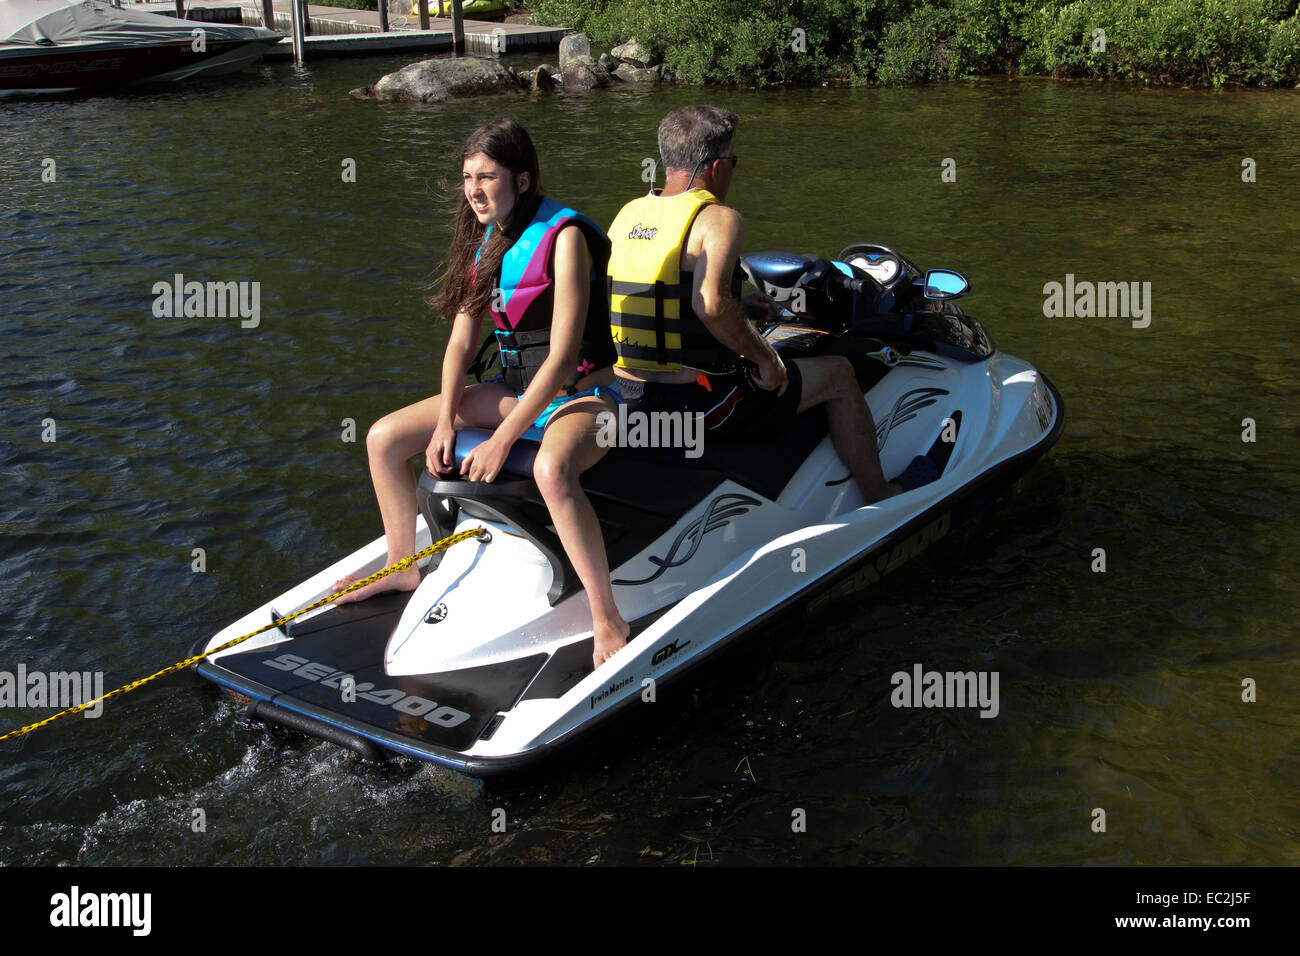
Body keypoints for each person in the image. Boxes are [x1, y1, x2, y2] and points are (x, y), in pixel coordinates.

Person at [332, 118, 631, 668]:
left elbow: (563, 356)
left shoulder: (565, 240)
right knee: (383, 439)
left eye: (486, 177)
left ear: (522, 180)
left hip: (588, 399)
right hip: (516, 394)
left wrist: (500, 442)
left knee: (550, 472)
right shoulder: (487, 245)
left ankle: (607, 616)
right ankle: (402, 562)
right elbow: (459, 347)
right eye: (467, 177)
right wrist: (447, 419)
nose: (473, 189)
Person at [607, 105, 938, 500]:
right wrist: (768, 362)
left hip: (630, 396)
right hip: (701, 403)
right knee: (840, 375)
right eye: (734, 161)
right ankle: (880, 492)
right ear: (717, 167)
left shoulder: (628, 215)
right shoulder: (717, 218)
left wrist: (741, 307)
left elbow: (650, 296)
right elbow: (710, 305)